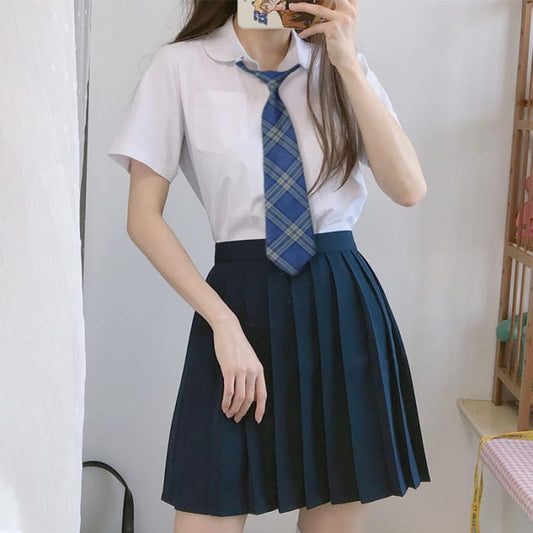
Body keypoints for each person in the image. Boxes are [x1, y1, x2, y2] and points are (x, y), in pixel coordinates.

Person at [107, 1, 430, 532]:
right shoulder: (180, 67)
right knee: (205, 508)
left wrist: (347, 63)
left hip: (338, 308)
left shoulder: (340, 66)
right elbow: (143, 219)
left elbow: (409, 188)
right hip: (236, 309)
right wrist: (222, 323)